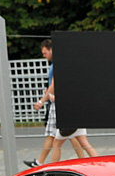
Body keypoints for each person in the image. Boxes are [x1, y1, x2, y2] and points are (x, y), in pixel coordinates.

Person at [24, 39, 86, 167]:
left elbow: (54, 84)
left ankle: (48, 165)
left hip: (57, 104)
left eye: (45, 52)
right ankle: (84, 161)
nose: (44, 55)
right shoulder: (62, 63)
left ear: (51, 49)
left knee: (59, 137)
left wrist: (42, 100)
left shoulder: (56, 65)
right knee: (67, 136)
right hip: (62, 103)